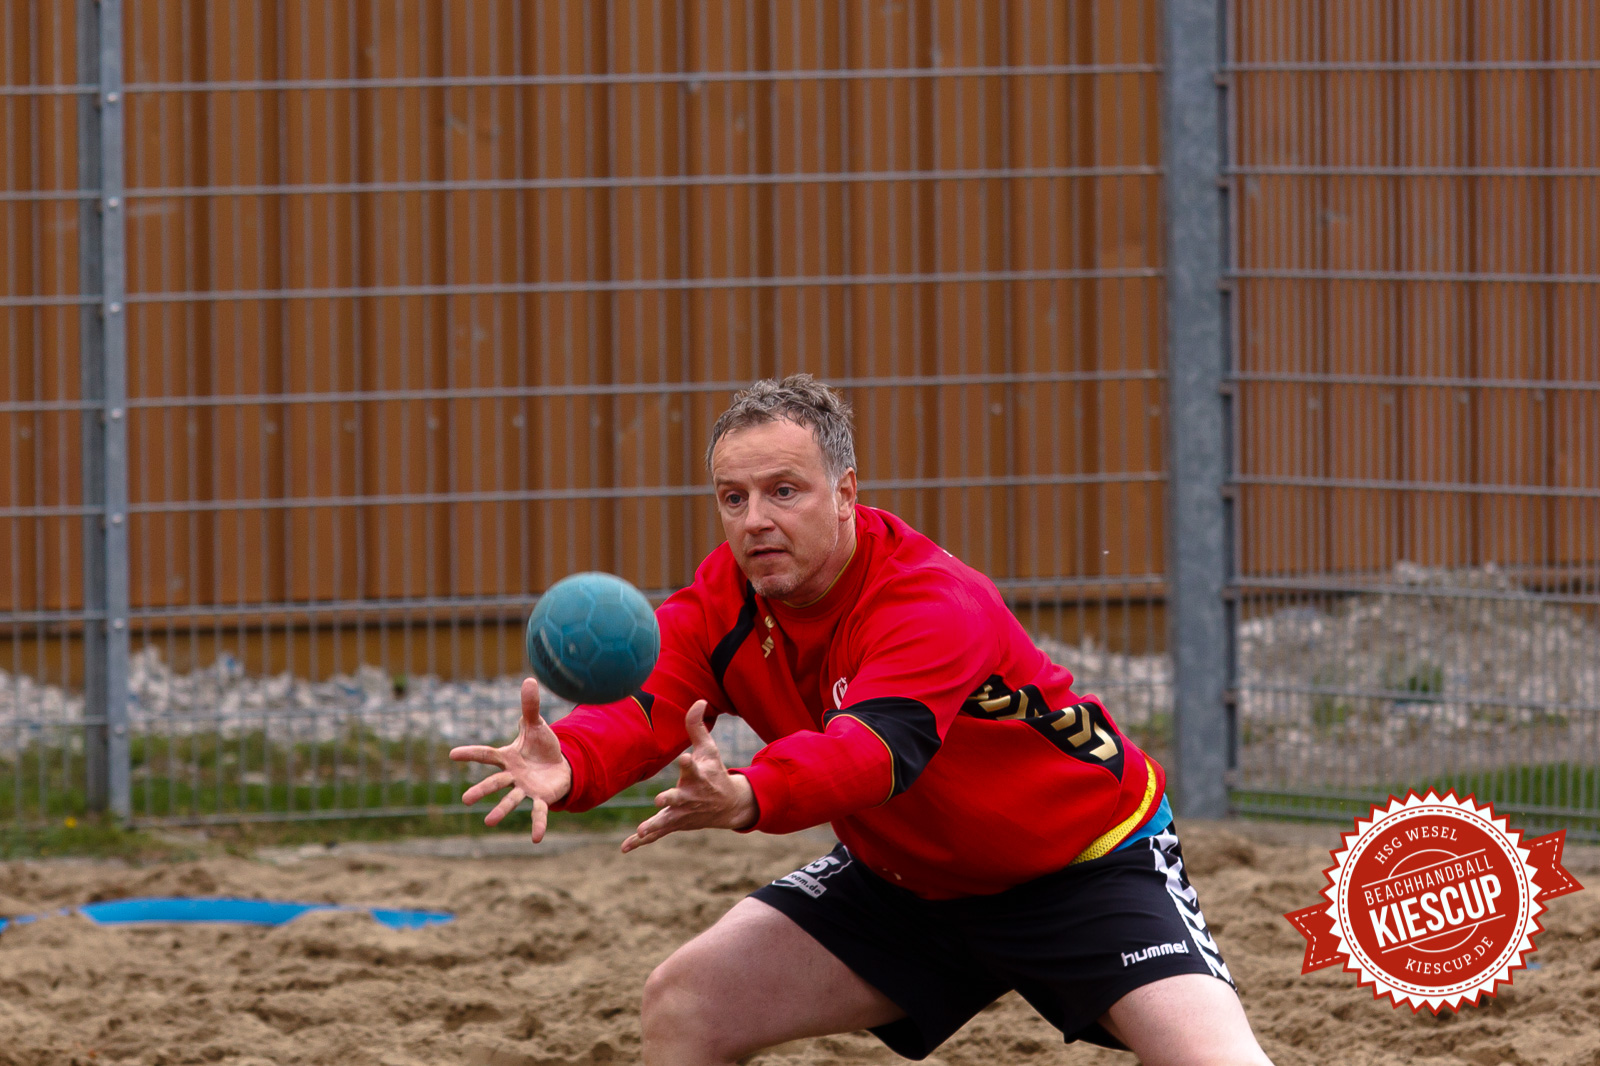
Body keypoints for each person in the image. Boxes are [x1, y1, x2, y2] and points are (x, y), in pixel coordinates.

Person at [450, 375, 1273, 1066]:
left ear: (846, 492)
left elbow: (874, 752)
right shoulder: (731, 595)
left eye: (783, 491)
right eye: (732, 498)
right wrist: (576, 761)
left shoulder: (929, 600)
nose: (754, 521)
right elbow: (653, 700)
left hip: (1083, 872)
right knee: (686, 1003)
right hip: (904, 884)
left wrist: (746, 796)